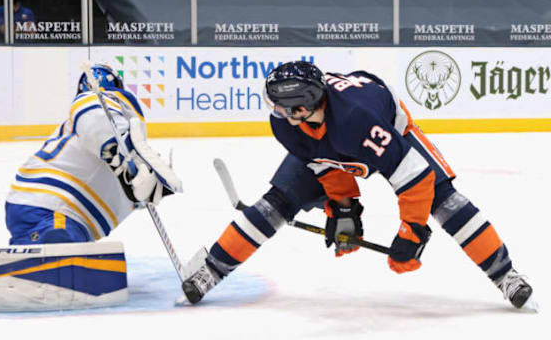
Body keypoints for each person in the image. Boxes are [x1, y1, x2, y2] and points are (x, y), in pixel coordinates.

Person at [181, 61, 538, 311]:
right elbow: (321, 160)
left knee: (446, 201)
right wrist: (344, 207)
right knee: (277, 201)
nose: (275, 110)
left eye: (282, 106)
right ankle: (212, 269)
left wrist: (412, 232)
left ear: (301, 109)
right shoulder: (287, 125)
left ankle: (506, 275)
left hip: (391, 133)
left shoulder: (356, 119)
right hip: (337, 139)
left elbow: (413, 176)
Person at [0, 64, 179, 316]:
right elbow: (93, 111)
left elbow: (124, 180)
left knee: (55, 275)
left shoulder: (116, 135)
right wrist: (124, 159)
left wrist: (148, 187)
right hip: (52, 209)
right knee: (56, 269)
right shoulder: (98, 105)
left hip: (49, 210)